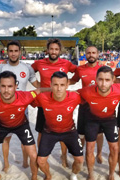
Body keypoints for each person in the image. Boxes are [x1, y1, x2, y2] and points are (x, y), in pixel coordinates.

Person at [0, 40, 40, 172]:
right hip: (5, 108)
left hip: (23, 109)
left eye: (16, 51)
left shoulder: (27, 68)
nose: (13, 53)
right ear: (7, 52)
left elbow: (36, 85)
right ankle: (6, 163)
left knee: (25, 139)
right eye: (10, 51)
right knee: (6, 138)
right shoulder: (1, 67)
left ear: (20, 52)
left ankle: (24, 161)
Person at [0, 71, 40, 180]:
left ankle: (34, 177)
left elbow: (38, 91)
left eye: (10, 86)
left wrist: (51, 89)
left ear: (16, 86)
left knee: (34, 155)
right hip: (2, 125)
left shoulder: (25, 96)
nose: (6, 90)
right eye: (3, 86)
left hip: (21, 125)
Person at [78, 66, 120, 180]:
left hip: (110, 119)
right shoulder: (86, 91)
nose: (103, 83)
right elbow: (67, 95)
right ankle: (91, 174)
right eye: (100, 79)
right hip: (92, 119)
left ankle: (111, 175)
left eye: (107, 80)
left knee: (115, 148)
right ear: (96, 79)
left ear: (113, 80)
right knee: (89, 148)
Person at [31, 38, 77, 168]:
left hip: (60, 102)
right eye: (51, 49)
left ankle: (63, 156)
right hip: (43, 102)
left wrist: (69, 83)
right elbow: (28, 73)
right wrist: (38, 86)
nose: (53, 51)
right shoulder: (39, 63)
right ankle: (41, 155)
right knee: (41, 131)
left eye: (56, 49)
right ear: (47, 50)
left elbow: (79, 72)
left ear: (60, 50)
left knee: (63, 132)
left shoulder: (67, 64)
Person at [34, 72, 83, 180]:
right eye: (55, 85)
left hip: (69, 131)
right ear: (50, 85)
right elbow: (24, 100)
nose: (59, 88)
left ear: (67, 85)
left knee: (80, 160)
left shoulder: (75, 97)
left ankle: (73, 175)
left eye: (62, 85)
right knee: (40, 161)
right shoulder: (42, 98)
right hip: (49, 132)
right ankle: (48, 175)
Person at [70, 46, 104, 164]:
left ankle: (99, 154)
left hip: (99, 106)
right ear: (85, 54)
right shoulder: (81, 69)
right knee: (81, 133)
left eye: (93, 53)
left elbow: (112, 83)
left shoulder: (103, 69)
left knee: (100, 133)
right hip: (84, 105)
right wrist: (59, 83)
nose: (91, 55)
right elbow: (73, 80)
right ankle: (81, 154)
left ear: (97, 54)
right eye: (88, 53)